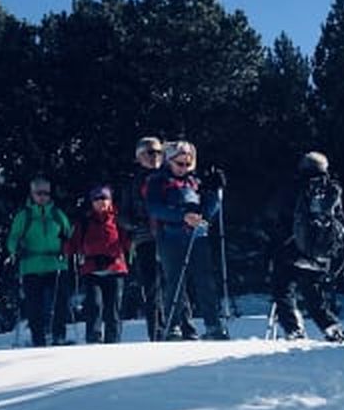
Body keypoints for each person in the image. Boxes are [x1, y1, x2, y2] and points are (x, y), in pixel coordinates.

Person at [146, 141, 229, 340]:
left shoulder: (194, 181)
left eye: (187, 164)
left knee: (205, 280)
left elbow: (208, 210)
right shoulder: (158, 181)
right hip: (170, 237)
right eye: (179, 164)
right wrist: (181, 216)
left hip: (197, 236)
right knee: (175, 281)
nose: (183, 168)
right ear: (169, 161)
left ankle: (213, 325)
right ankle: (173, 326)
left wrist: (215, 192)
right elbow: (155, 208)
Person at [271, 152, 344, 342]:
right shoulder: (332, 190)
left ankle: (294, 329)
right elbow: (341, 222)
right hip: (320, 255)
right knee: (314, 297)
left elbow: (280, 217)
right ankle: (333, 329)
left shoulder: (294, 187)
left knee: (283, 290)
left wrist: (276, 244)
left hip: (292, 250)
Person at [6, 176, 72, 347]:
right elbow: (13, 238)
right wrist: (16, 249)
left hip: (56, 264)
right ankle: (38, 338)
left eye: (46, 193)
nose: (42, 197)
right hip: (31, 265)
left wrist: (67, 247)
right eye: (39, 193)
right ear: (32, 194)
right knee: (34, 305)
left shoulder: (57, 214)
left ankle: (58, 335)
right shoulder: (24, 216)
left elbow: (68, 234)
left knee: (59, 302)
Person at [65, 185, 130, 343]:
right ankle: (93, 339)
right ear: (92, 202)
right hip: (92, 270)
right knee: (94, 305)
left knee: (113, 309)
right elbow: (73, 244)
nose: (101, 202)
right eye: (96, 199)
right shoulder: (84, 222)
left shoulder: (118, 220)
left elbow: (127, 243)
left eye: (104, 198)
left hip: (115, 268)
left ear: (110, 200)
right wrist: (65, 246)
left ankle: (113, 340)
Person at [118, 136, 165, 341]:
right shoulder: (132, 183)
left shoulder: (169, 176)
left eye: (159, 152)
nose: (155, 156)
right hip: (145, 238)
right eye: (150, 152)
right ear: (139, 157)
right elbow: (123, 215)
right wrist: (135, 225)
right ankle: (156, 332)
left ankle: (178, 327)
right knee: (151, 286)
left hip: (170, 236)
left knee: (175, 283)